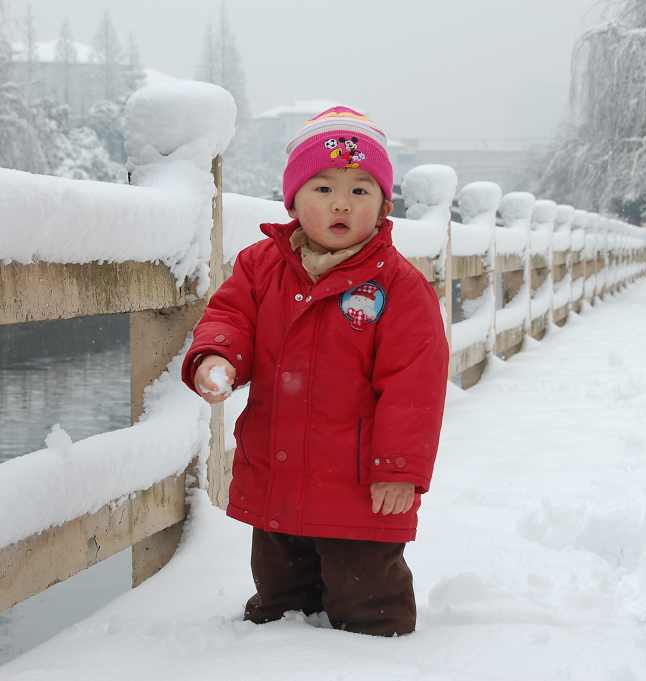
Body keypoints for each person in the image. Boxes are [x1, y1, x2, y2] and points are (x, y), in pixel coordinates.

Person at [181, 106, 449, 636]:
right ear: (294, 201)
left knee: (367, 599)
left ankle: (377, 659)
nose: (341, 203)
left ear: (383, 204)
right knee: (280, 599)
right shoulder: (261, 266)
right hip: (278, 473)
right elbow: (231, 316)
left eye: (360, 190)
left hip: (360, 490)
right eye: (323, 189)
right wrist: (218, 357)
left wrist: (398, 467)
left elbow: (413, 383)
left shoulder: (396, 286)